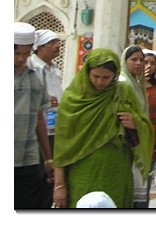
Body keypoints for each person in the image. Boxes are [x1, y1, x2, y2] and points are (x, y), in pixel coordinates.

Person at [52, 47, 150, 208]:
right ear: (87, 73)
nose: (100, 82)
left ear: (115, 76)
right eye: (95, 76)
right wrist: (59, 185)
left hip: (116, 170)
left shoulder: (122, 92)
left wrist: (135, 123)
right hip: (82, 172)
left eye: (106, 77)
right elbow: (62, 147)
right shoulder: (73, 99)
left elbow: (144, 124)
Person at [14, 22, 52, 210]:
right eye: (16, 53)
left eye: (26, 53)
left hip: (28, 159)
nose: (21, 59)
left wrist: (48, 157)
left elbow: (39, 117)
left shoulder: (37, 75)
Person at [119, 45, 156, 208]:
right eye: (133, 60)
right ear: (124, 61)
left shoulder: (137, 83)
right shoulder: (122, 83)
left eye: (141, 60)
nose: (139, 63)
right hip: (127, 143)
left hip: (139, 138)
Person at [28, 29, 63, 156]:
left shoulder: (55, 70)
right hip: (34, 128)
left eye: (58, 42)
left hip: (53, 127)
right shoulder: (30, 67)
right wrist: (44, 99)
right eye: (52, 42)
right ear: (40, 47)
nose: (57, 46)